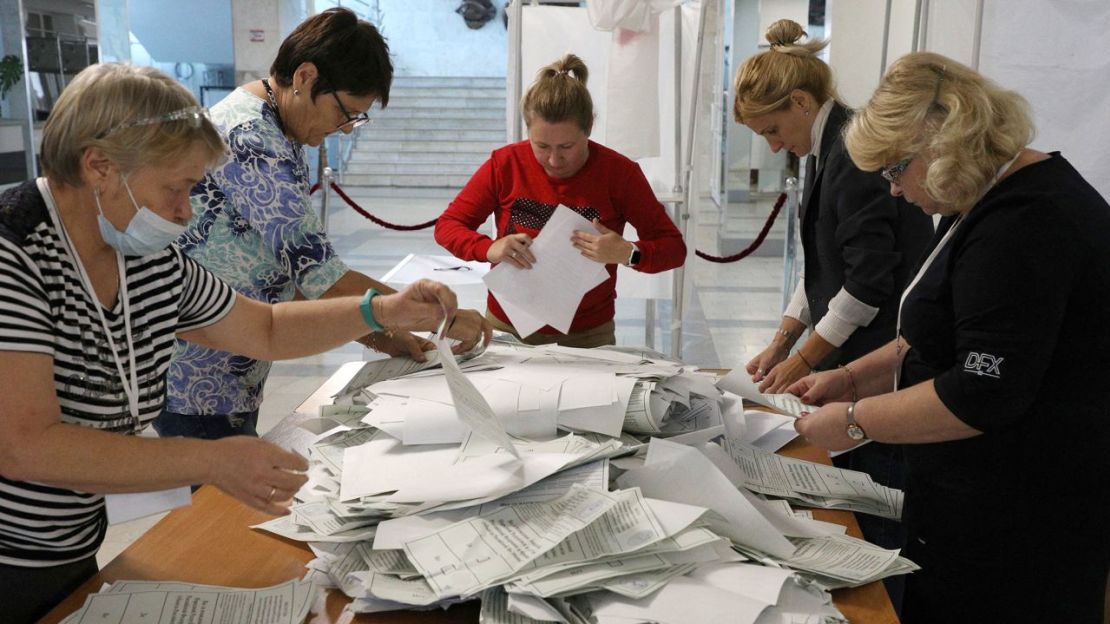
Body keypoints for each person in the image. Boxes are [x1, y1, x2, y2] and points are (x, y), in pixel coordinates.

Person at [0, 63, 466, 623]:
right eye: (175, 188)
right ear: (99, 166)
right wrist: (211, 460)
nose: (184, 211)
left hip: (65, 543)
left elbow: (263, 328)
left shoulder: (145, 257)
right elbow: (25, 446)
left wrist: (382, 310)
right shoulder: (16, 254)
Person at [791, 52, 1110, 623]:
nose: (892, 190)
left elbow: (979, 392)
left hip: (1021, 522)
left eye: (895, 169)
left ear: (944, 143)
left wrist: (853, 421)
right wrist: (848, 376)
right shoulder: (987, 199)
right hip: (973, 503)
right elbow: (933, 329)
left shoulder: (1027, 223)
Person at [157, 8, 491, 440]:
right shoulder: (251, 139)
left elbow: (287, 268)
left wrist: (380, 335)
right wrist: (441, 316)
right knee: (219, 503)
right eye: (346, 112)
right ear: (305, 76)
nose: (347, 130)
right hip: (200, 377)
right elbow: (322, 275)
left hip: (233, 365)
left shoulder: (280, 128)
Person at [732, 19, 932, 569]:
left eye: (772, 130)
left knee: (872, 505)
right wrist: (781, 340)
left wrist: (801, 360)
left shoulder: (853, 153)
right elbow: (822, 266)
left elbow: (865, 284)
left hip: (879, 356)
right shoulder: (827, 149)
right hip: (856, 351)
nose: (773, 146)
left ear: (800, 101)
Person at [435, 54, 686, 348]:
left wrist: (629, 253)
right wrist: (489, 248)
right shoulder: (505, 164)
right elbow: (448, 226)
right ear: (527, 130)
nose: (554, 160)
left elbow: (673, 248)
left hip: (588, 333)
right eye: (541, 146)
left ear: (589, 128)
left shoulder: (619, 173)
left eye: (567, 146)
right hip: (508, 326)